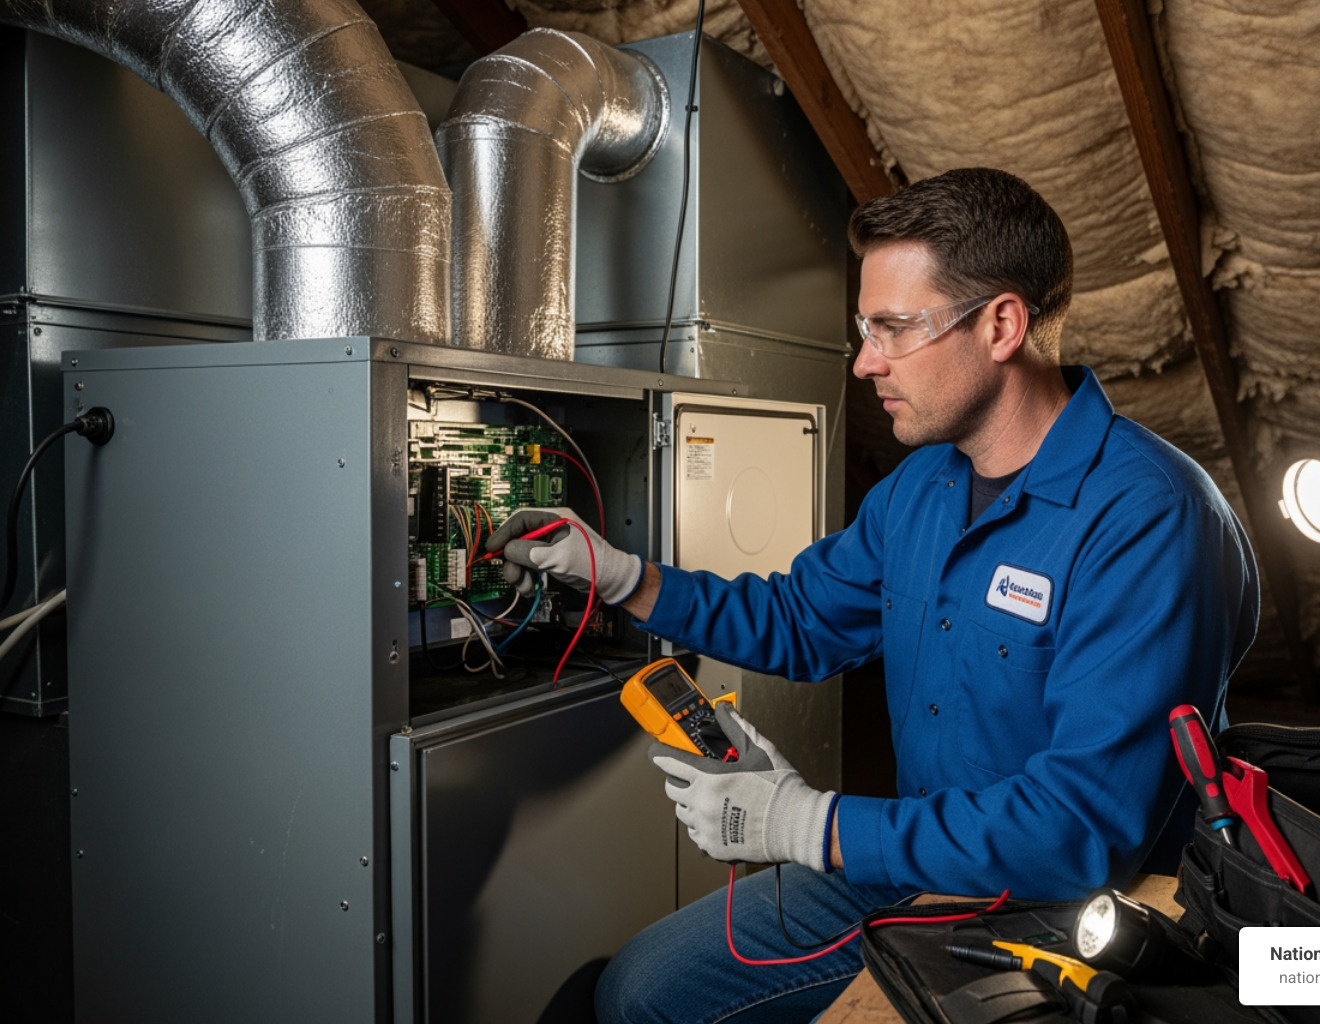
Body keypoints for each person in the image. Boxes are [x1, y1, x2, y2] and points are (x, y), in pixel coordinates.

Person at [488, 167, 1261, 1024]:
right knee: (639, 987)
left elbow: (1078, 828)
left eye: (893, 328)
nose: (864, 363)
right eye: (865, 328)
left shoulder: (1150, 517)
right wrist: (625, 579)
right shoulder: (921, 487)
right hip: (908, 864)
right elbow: (799, 619)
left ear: (1002, 324)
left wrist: (807, 827)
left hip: (1068, 916)